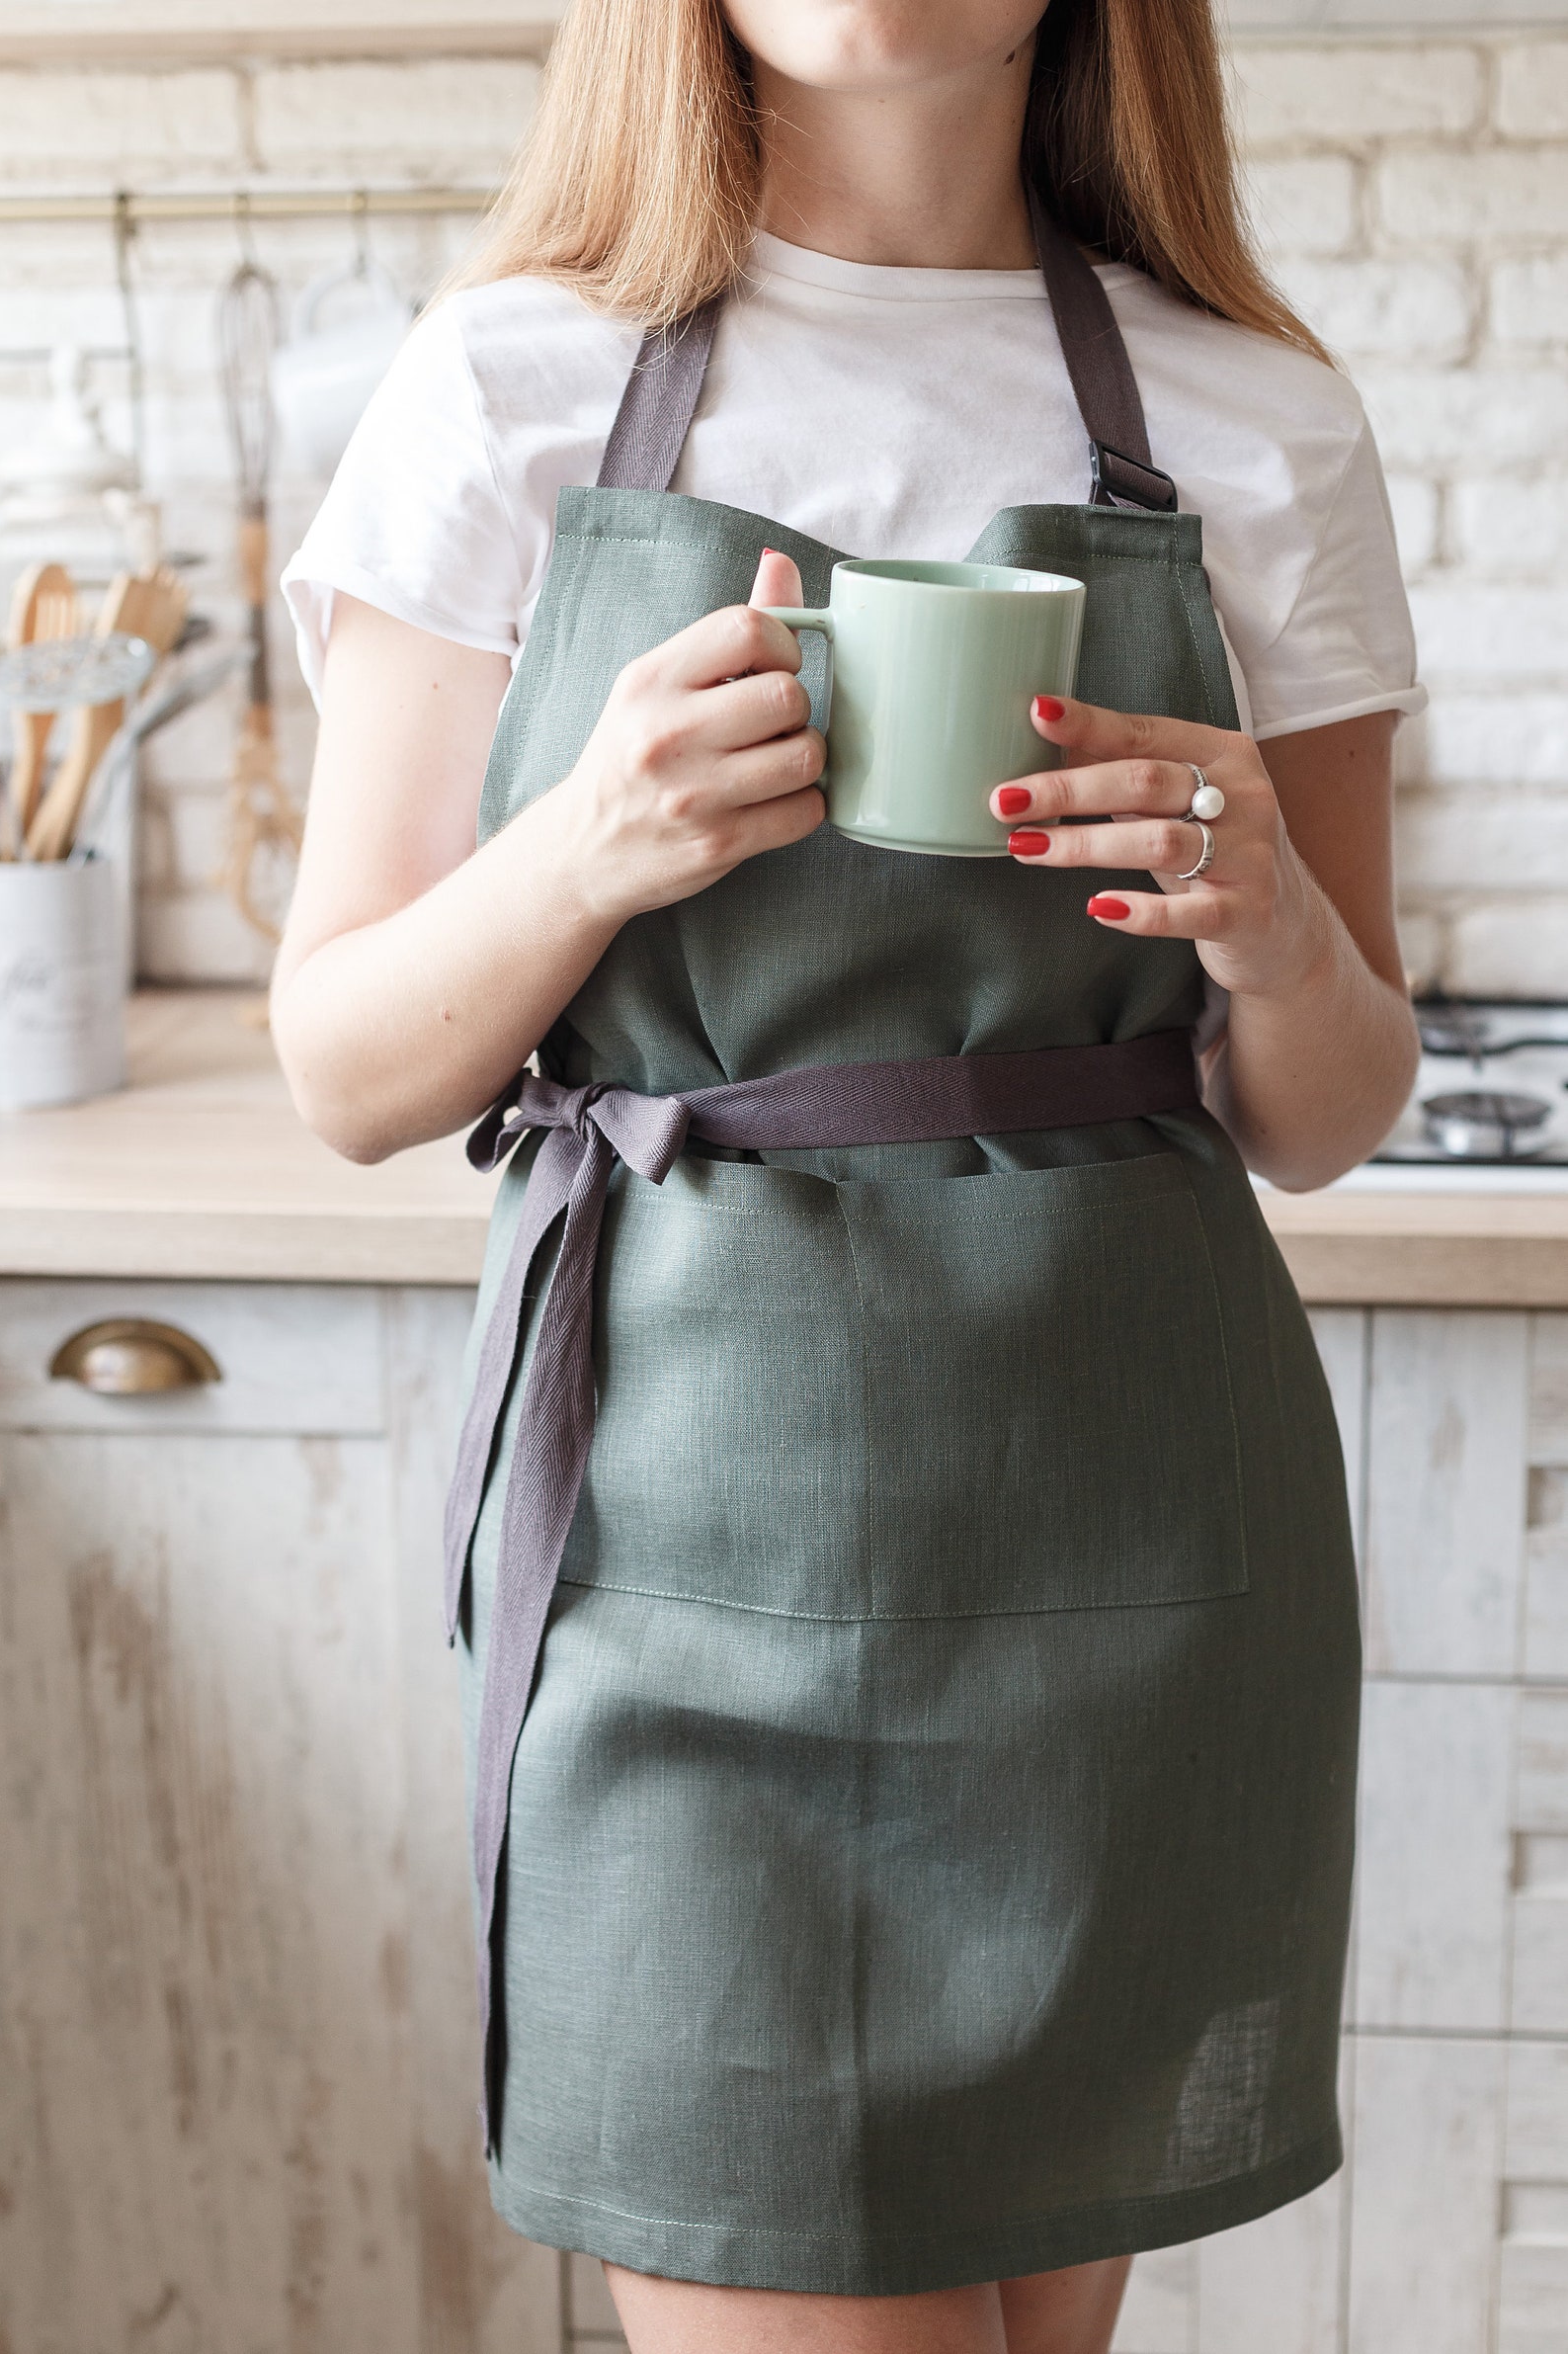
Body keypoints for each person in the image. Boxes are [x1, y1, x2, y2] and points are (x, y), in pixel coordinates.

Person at [274, 3, 1423, 2347]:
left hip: (1125, 1570)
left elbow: (1321, 1109)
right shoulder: (510, 390)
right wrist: (589, 846)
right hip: (682, 1579)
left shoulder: (1254, 423)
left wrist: (1272, 923)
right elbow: (348, 1065)